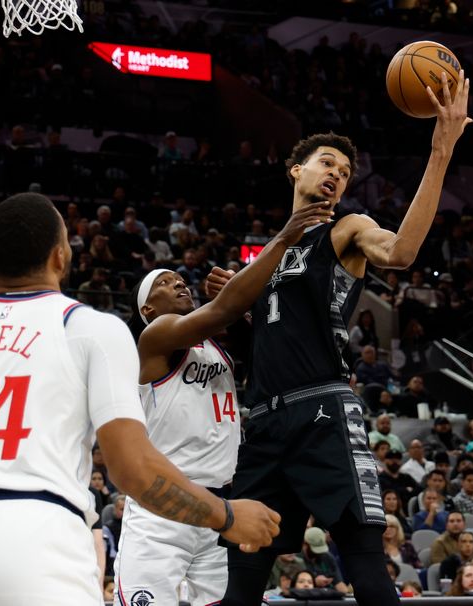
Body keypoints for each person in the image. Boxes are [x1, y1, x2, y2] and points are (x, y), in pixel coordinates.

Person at [0, 193, 281, 606]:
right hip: (39, 539)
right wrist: (227, 517)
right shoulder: (91, 328)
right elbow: (132, 468)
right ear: (61, 255)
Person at [206, 73, 471, 606]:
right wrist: (237, 312)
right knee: (241, 586)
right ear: (296, 170)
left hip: (322, 409)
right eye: (328, 163)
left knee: (367, 571)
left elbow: (399, 253)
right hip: (263, 423)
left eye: (345, 172)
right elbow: (268, 339)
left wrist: (440, 152)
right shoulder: (266, 256)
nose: (337, 176)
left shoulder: (346, 228)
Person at [114, 203, 331, 606]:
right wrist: (282, 239)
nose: (180, 284)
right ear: (147, 309)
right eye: (165, 282)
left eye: (181, 279)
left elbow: (267, 340)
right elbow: (222, 309)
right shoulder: (154, 337)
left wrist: (249, 307)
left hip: (221, 506)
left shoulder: (217, 346)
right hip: (165, 503)